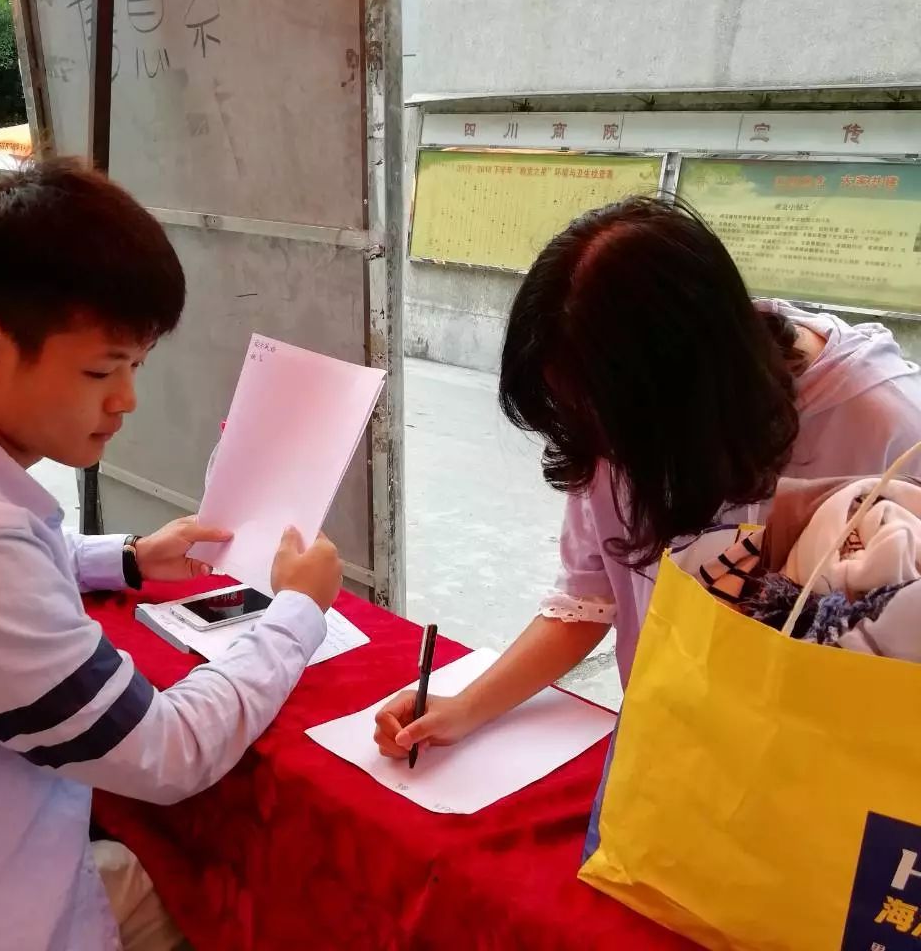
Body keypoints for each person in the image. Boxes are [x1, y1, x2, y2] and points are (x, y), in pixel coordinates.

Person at [374, 195, 921, 757]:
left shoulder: (888, 430)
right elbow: (588, 598)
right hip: (669, 752)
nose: (606, 453)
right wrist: (465, 706)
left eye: (610, 426)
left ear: (685, 392)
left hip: (820, 771)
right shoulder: (612, 406)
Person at [0, 159, 343, 951]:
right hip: (5, 907)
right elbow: (168, 751)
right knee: (231, 898)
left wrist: (127, 558)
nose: (126, 400)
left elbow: (18, 559)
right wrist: (299, 611)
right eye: (102, 369)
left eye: (135, 366)